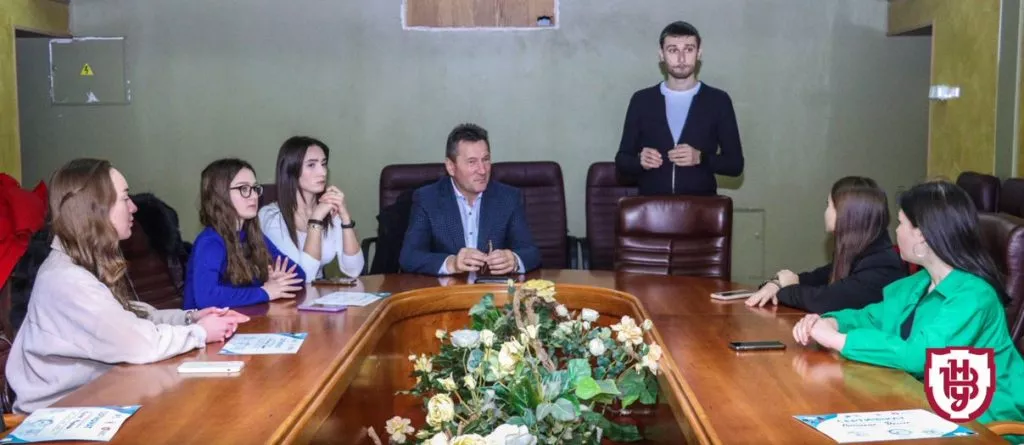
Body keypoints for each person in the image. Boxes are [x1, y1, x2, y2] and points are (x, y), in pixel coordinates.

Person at [6, 158, 249, 414]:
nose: (133, 207)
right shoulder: (67, 279)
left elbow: (132, 317)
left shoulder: (83, 262)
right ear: (96, 209)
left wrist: (190, 318)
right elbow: (138, 343)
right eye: (124, 198)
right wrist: (200, 332)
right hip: (58, 417)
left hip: (96, 397)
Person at [792, 181, 1024, 429]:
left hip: (984, 421)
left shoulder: (974, 296)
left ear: (922, 235)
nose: (896, 231)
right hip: (923, 405)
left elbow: (920, 355)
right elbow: (871, 317)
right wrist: (831, 321)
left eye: (901, 223)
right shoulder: (918, 283)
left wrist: (837, 340)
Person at [615, 20, 744, 196]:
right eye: (673, 50)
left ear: (699, 53)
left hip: (701, 207)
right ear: (661, 55)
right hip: (652, 207)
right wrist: (639, 162)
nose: (681, 59)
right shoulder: (642, 100)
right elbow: (622, 161)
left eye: (689, 50)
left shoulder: (718, 101)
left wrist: (701, 158)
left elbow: (735, 165)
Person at [745, 176, 906, 313]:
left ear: (846, 214)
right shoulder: (858, 252)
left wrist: (785, 289)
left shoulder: (881, 264)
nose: (825, 211)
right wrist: (777, 283)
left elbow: (827, 300)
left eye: (828, 205)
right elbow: (817, 278)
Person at [399, 123, 541, 276]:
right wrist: (451, 263)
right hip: (449, 288)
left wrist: (514, 260)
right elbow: (409, 257)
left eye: (485, 159)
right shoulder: (427, 199)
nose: (482, 170)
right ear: (451, 166)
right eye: (472, 162)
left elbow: (531, 253)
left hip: (493, 288)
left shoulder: (508, 198)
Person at [185, 158, 305, 309]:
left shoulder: (252, 235)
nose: (254, 196)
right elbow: (206, 297)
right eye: (244, 189)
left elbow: (299, 275)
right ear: (220, 195)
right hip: (205, 322)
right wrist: (264, 292)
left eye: (255, 188)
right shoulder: (210, 241)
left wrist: (278, 278)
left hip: (247, 318)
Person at [259, 136, 364, 282]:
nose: (323, 172)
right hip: (288, 293)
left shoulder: (329, 208)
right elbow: (302, 276)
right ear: (291, 170)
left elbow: (354, 269)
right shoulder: (271, 216)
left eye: (324, 164)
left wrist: (345, 218)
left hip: (319, 292)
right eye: (311, 165)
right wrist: (316, 219)